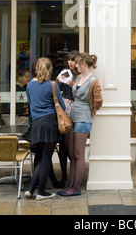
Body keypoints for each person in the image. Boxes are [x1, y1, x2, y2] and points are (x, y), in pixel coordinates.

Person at [57, 53, 103, 197]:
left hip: (83, 119)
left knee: (78, 154)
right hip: (73, 117)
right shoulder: (78, 78)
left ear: (83, 63)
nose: (75, 65)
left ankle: (75, 187)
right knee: (71, 152)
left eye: (77, 63)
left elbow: (99, 101)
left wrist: (92, 112)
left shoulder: (93, 81)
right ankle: (71, 184)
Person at [25, 57, 66, 200]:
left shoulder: (29, 85)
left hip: (36, 124)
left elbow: (30, 105)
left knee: (41, 157)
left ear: (36, 69)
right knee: (46, 158)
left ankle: (31, 189)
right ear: (50, 70)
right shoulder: (52, 85)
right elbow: (63, 106)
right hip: (49, 124)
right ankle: (41, 192)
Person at [56, 50, 80, 184]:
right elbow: (55, 87)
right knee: (64, 144)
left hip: (78, 110)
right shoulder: (65, 73)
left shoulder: (82, 74)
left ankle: (74, 176)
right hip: (66, 109)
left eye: (73, 60)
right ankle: (65, 176)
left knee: (75, 145)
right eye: (69, 60)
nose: (70, 62)